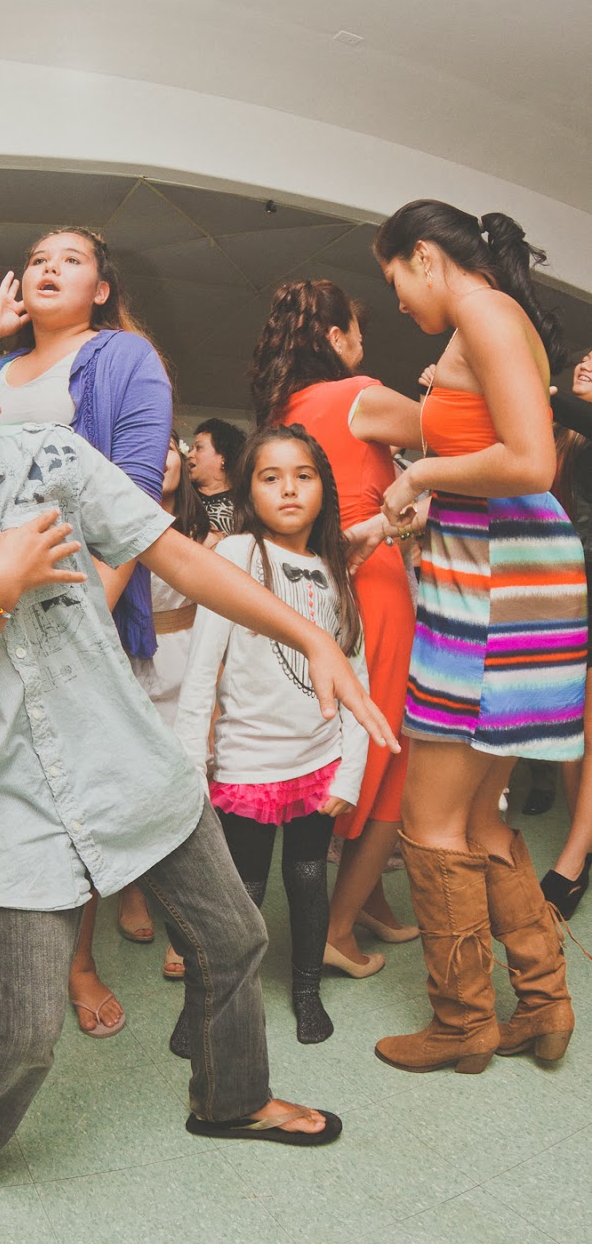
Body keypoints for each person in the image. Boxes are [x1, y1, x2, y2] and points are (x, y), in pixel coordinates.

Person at [0, 278, 398, 1240]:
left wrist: (310, 637)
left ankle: (230, 1100)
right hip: (10, 811)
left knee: (233, 941)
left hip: (131, 767)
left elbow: (177, 556)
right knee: (26, 1023)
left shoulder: (45, 455)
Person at [0, 227, 174, 1037]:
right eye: (38, 259)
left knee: (70, 791)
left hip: (65, 605)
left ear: (101, 289)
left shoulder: (121, 357)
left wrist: (87, 616)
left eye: (71, 259)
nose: (48, 268)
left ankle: (76, 964)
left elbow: (132, 498)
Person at [370, 200, 582, 1072]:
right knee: (477, 816)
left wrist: (417, 470)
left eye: (394, 279)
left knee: (429, 820)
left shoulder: (484, 312)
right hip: (515, 581)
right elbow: (500, 466)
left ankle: (461, 1025)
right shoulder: (493, 319)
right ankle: (542, 1003)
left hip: (494, 594)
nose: (396, 302)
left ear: (424, 256)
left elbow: (530, 461)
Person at [174, 425, 369, 1045]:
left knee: (309, 879)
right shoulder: (235, 556)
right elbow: (201, 670)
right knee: (242, 892)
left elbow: (356, 676)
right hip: (248, 765)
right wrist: (191, 765)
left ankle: (306, 991)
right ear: (248, 489)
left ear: (323, 488)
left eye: (303, 476)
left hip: (320, 763)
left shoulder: (334, 569)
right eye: (271, 477)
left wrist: (350, 772)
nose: (288, 489)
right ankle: (206, 1002)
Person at [250, 280, 421, 976]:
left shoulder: (279, 410)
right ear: (333, 336)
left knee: (339, 740)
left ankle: (367, 899)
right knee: (386, 755)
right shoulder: (359, 394)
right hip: (370, 581)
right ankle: (337, 929)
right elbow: (460, 435)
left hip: (311, 590)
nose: (362, 343)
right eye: (356, 329)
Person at [118, 433, 219, 962]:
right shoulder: (112, 524)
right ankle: (133, 890)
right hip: (128, 657)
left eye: (170, 446)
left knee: (189, 780)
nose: (159, 457)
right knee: (134, 779)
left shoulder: (209, 533)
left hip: (187, 658)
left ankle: (186, 915)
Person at [537, 347, 592, 915]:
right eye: (586, 355)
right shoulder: (558, 438)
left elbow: (546, 397)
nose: (588, 361)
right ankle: (585, 838)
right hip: (559, 582)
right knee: (569, 723)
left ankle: (573, 860)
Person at [188, 417, 244, 534]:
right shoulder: (183, 497)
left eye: (199, 448)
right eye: (192, 449)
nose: (190, 454)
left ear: (223, 456)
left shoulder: (245, 503)